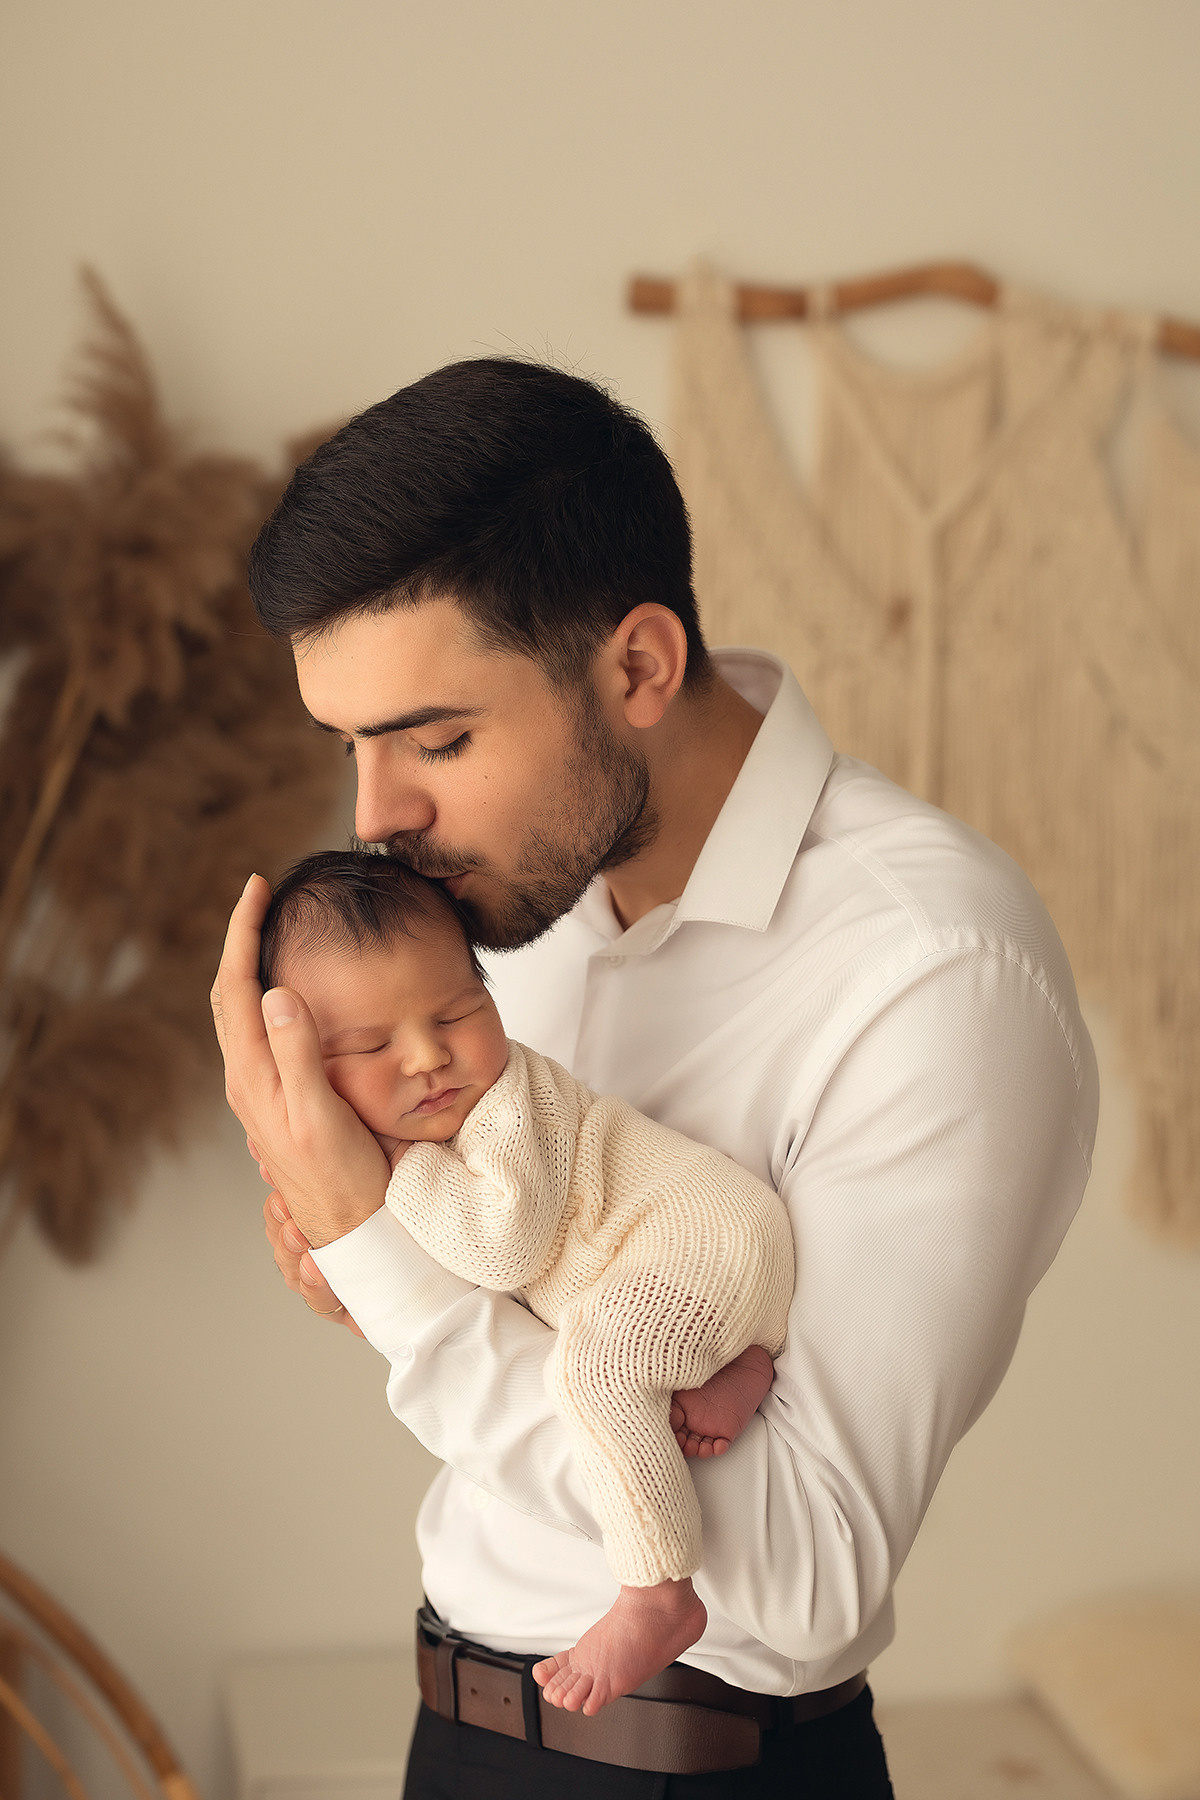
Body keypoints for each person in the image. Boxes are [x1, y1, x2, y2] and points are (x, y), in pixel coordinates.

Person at [212, 357, 1098, 1799]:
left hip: (692, 1767)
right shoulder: (498, 913)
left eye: (437, 738)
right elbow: (528, 1302)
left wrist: (387, 1255)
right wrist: (364, 1260)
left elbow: (804, 1572)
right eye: (354, 746)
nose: (379, 816)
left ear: (636, 667)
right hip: (455, 1734)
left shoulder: (933, 967)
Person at [256, 847, 793, 1715]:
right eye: (370, 1044)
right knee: (600, 1353)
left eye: (457, 1011)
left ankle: (659, 1593)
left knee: (591, 1374)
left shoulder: (510, 1100)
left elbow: (502, 1248)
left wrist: (381, 1175)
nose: (427, 1056)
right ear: (308, 1075)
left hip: (696, 1237)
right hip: (695, 1272)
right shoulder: (448, 1123)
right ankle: (739, 1367)